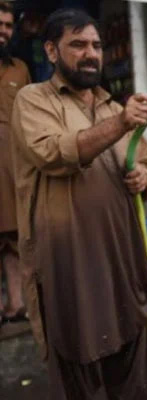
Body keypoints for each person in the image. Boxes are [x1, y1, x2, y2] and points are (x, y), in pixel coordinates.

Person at [11, 9, 147, 399]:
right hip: (68, 263)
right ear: (52, 50)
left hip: (122, 261)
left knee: (133, 373)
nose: (91, 53)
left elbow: (145, 164)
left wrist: (145, 179)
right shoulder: (33, 100)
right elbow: (53, 154)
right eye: (77, 44)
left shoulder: (114, 107)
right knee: (79, 365)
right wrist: (121, 125)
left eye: (96, 45)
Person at [0, 1, 31, 328]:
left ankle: (16, 305)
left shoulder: (20, 69)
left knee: (13, 236)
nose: (3, 31)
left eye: (8, 25)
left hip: (11, 165)